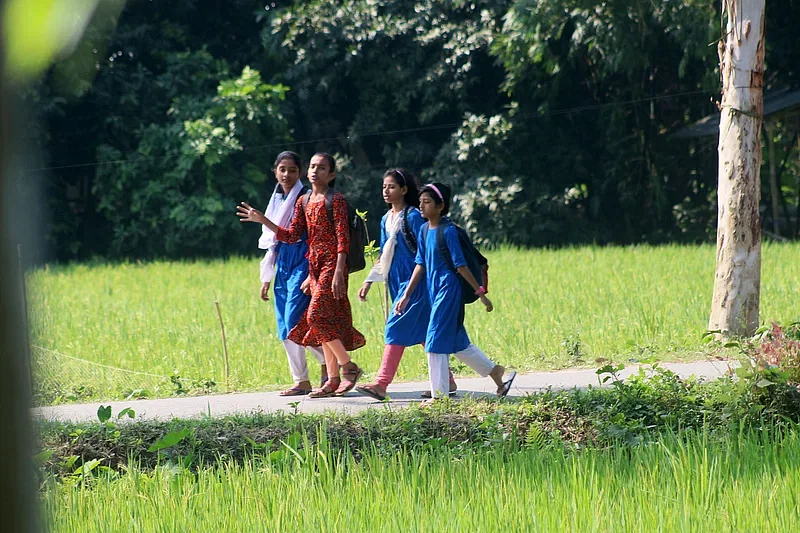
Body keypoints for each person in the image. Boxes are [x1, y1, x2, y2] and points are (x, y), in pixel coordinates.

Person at [238, 153, 366, 398]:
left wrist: (340, 270)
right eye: (313, 167)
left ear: (331, 174)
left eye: (322, 168)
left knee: (315, 317)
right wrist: (263, 220)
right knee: (325, 321)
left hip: (332, 266)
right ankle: (332, 380)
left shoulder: (335, 199)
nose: (316, 171)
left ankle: (348, 366)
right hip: (315, 268)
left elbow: (343, 238)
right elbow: (292, 235)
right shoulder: (304, 200)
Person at [395, 182, 516, 402]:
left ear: (440, 206)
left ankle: (439, 398)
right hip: (434, 290)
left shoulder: (448, 230)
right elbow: (420, 263)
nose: (421, 206)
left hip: (448, 290)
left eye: (427, 202)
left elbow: (461, 265)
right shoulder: (423, 230)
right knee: (458, 343)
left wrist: (481, 293)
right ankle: (496, 373)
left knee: (433, 342)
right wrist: (406, 294)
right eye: (420, 202)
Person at [356, 169, 456, 401]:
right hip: (396, 281)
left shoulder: (412, 217)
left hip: (415, 283)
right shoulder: (385, 219)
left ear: (404, 190)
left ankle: (381, 384)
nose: (386, 191)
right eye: (384, 187)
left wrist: (412, 287)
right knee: (422, 331)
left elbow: (424, 252)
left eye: (391, 187)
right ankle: (448, 380)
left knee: (394, 329)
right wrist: (369, 280)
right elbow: (384, 253)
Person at [255, 151, 326, 396]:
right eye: (282, 169)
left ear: (300, 172)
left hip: (302, 264)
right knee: (284, 326)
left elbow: (310, 237)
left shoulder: (305, 198)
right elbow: (274, 243)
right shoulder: (277, 200)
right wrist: (267, 277)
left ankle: (333, 362)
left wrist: (312, 273)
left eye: (292, 170)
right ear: (275, 171)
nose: (286, 175)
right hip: (283, 265)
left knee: (296, 320)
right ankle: (302, 380)